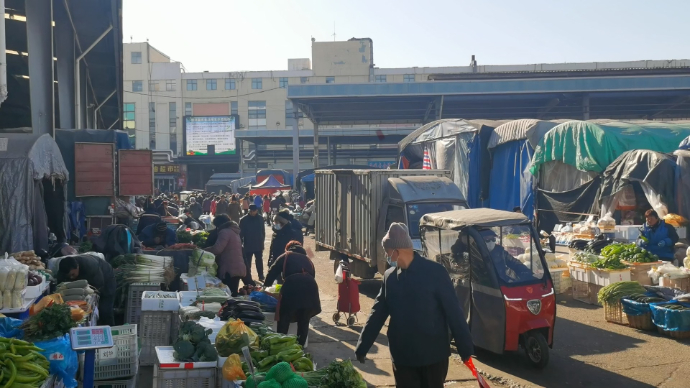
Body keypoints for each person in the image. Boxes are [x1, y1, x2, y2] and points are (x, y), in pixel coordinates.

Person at [355, 223, 473, 388]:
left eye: (387, 251)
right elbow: (377, 313)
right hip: (403, 357)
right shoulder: (390, 278)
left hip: (433, 356)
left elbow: (453, 311)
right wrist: (363, 345)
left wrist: (465, 348)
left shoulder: (435, 272)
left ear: (397, 250)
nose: (386, 255)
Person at [263, 241, 321, 346]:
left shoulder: (286, 255)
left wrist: (266, 285)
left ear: (288, 248)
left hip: (292, 287)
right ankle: (300, 348)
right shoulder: (308, 260)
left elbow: (273, 270)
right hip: (311, 289)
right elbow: (312, 276)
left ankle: (281, 344)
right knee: (304, 320)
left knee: (284, 317)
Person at [57, 255, 117, 326]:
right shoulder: (63, 271)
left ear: (77, 266)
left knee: (105, 309)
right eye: (68, 276)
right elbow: (59, 285)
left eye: (73, 274)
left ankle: (110, 329)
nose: (71, 277)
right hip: (91, 278)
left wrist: (90, 297)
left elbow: (99, 284)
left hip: (106, 279)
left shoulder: (90, 266)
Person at [204, 214, 246, 295]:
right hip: (236, 266)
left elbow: (217, 249)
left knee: (228, 295)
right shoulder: (233, 231)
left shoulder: (224, 232)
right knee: (233, 293)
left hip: (229, 268)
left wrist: (204, 250)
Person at [240, 205, 266, 282]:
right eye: (250, 211)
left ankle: (261, 275)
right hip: (248, 244)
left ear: (256, 211)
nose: (252, 212)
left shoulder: (260, 219)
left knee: (259, 260)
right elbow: (240, 233)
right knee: (248, 261)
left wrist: (262, 241)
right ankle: (248, 276)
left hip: (258, 243)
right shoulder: (244, 220)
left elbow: (263, 231)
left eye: (253, 211)